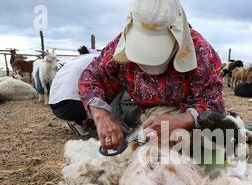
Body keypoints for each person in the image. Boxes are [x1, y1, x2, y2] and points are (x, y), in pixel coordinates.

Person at [79, 0, 225, 152]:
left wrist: (184, 120)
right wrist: (102, 117)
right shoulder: (119, 46)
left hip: (179, 114)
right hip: (137, 108)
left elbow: (212, 101)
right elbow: (92, 78)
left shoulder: (200, 53)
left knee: (205, 146)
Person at [48, 48, 99, 136]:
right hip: (70, 107)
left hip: (54, 105)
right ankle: (81, 121)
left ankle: (81, 120)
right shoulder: (98, 59)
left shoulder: (75, 60)